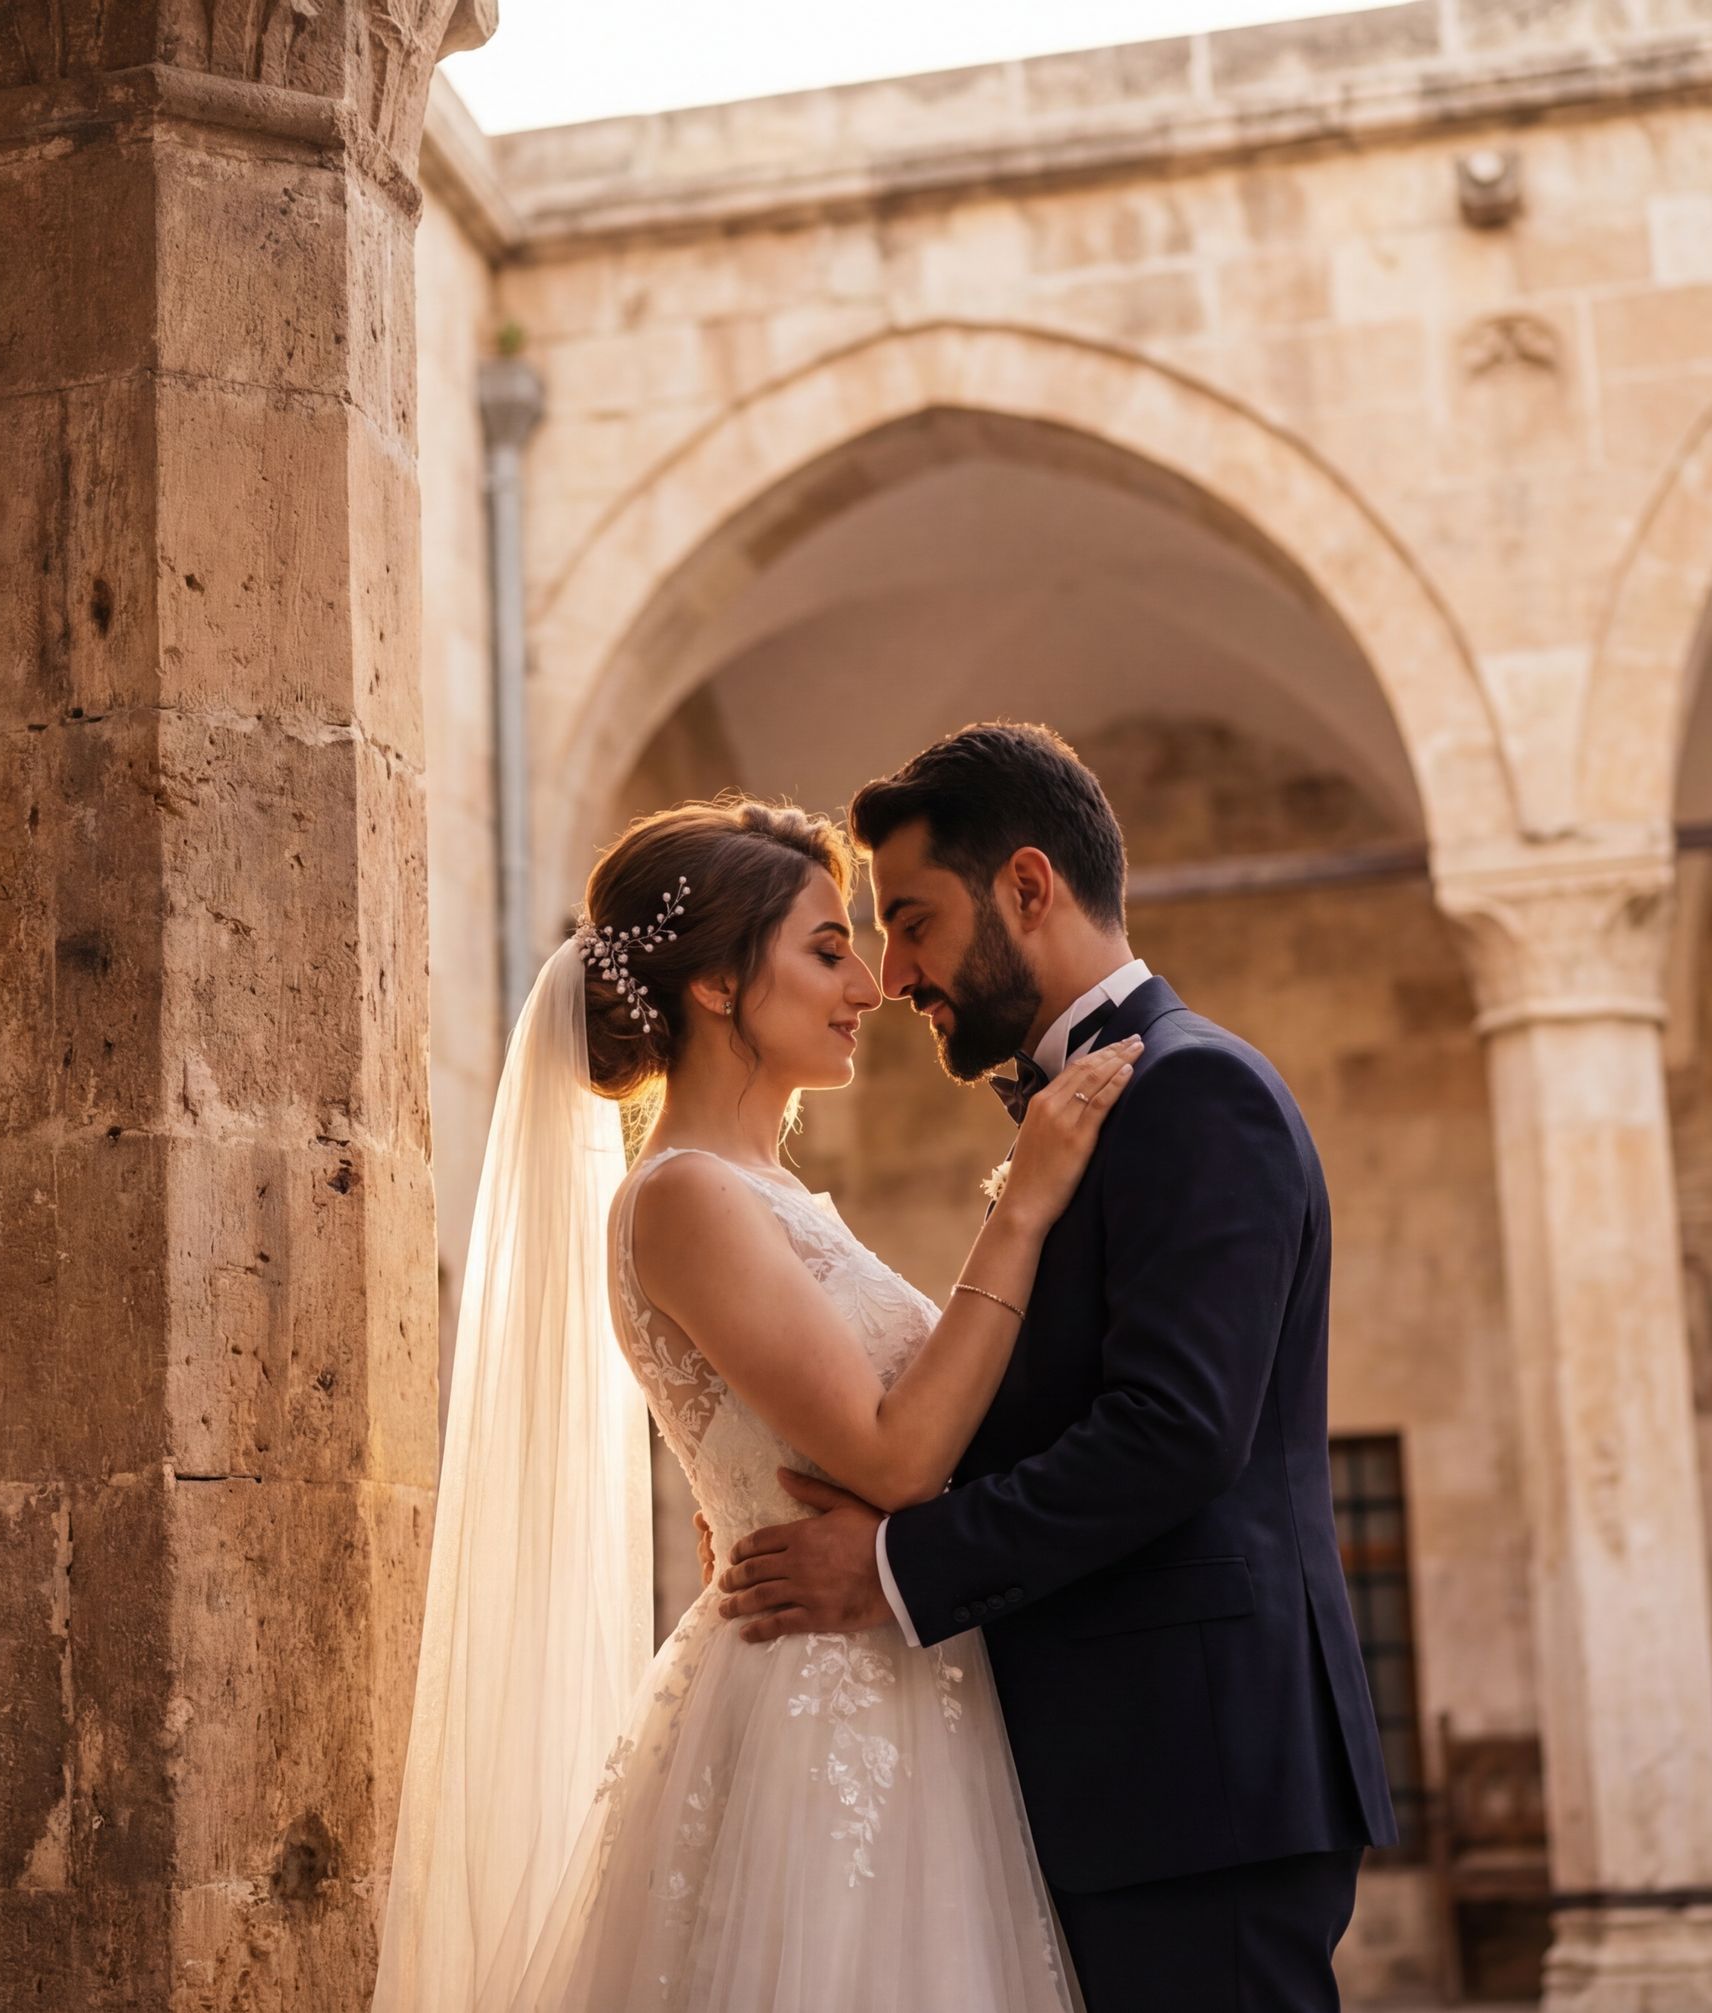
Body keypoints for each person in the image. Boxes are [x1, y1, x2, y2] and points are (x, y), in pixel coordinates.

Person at [376, 795, 1132, 2012]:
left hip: (902, 1684)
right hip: (816, 1705)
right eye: (828, 948)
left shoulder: (766, 1193)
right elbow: (895, 1460)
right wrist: (1025, 1202)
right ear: (721, 985)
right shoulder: (684, 1197)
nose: (870, 986)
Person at [716, 722, 1398, 2010]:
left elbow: (1174, 1432)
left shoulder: (1199, 1094)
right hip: (1114, 1775)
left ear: (1028, 887)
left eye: (911, 921)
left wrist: (890, 1567)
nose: (897, 973)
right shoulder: (1086, 1106)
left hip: (1198, 1782)